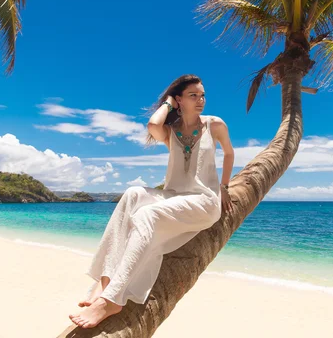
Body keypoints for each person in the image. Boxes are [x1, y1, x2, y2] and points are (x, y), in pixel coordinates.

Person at [69, 74, 235, 328]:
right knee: (133, 193)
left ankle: (112, 300)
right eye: (193, 95)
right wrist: (168, 103)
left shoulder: (214, 125)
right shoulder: (173, 131)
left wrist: (223, 186)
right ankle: (105, 283)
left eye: (202, 95)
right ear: (179, 99)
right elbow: (152, 125)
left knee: (147, 215)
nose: (200, 100)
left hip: (203, 201)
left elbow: (230, 152)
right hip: (173, 195)